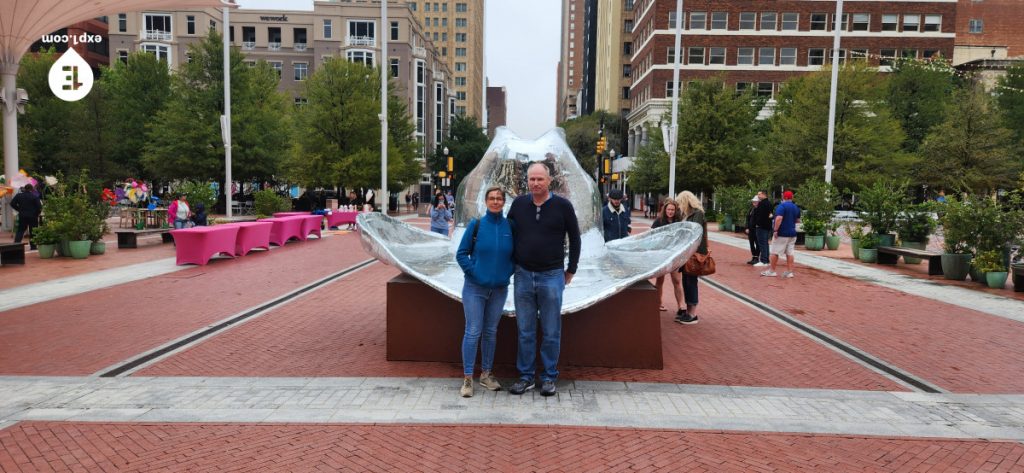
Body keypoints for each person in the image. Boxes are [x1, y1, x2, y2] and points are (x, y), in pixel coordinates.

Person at [506, 162, 581, 397]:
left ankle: (548, 377)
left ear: (549, 181)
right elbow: (508, 234)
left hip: (552, 275)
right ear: (526, 181)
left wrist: (571, 270)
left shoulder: (563, 206)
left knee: (551, 330)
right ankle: (526, 376)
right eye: (532, 179)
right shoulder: (518, 205)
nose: (535, 183)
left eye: (540, 179)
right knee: (525, 330)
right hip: (523, 275)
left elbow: (575, 238)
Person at [454, 186, 514, 397]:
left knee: (490, 332)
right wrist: (474, 273)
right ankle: (468, 378)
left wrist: (507, 273)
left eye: (499, 198)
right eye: (492, 198)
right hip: (474, 288)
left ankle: (486, 374)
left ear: (504, 202)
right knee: (473, 332)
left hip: (499, 289)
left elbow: (515, 256)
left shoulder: (510, 227)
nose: (496, 202)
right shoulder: (476, 225)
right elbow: (461, 254)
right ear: (486, 201)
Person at [676, 190, 707, 325]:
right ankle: (688, 312)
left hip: (693, 253)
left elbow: (695, 232)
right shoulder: (689, 214)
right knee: (686, 281)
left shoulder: (697, 213)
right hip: (687, 253)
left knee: (691, 282)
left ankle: (692, 313)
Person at [652, 199, 684, 313]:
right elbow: (651, 236)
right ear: (665, 209)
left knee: (676, 280)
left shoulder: (679, 222)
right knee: (660, 281)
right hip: (662, 256)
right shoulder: (659, 221)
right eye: (669, 209)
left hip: (674, 256)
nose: (670, 211)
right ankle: (658, 303)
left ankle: (681, 306)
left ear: (676, 211)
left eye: (673, 210)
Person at [762, 190, 801, 278]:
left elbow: (779, 218)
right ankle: (789, 272)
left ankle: (772, 271)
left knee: (774, 252)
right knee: (790, 253)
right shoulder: (796, 207)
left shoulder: (781, 206)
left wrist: (775, 230)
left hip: (782, 233)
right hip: (792, 234)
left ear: (785, 197)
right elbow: (798, 220)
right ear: (792, 197)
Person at [753, 190, 773, 267]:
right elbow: (770, 215)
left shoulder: (762, 204)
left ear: (764, 194)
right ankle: (766, 260)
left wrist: (757, 224)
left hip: (761, 227)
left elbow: (760, 216)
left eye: (759, 194)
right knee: (765, 243)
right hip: (767, 226)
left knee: (762, 244)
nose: (758, 195)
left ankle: (764, 260)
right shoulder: (769, 203)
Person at [745, 195, 760, 264]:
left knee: (757, 243)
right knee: (751, 243)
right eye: (753, 202)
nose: (754, 203)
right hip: (750, 229)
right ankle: (753, 256)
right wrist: (747, 227)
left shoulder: (760, 210)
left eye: (755, 202)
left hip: (757, 229)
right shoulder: (751, 209)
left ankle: (757, 257)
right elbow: (747, 219)